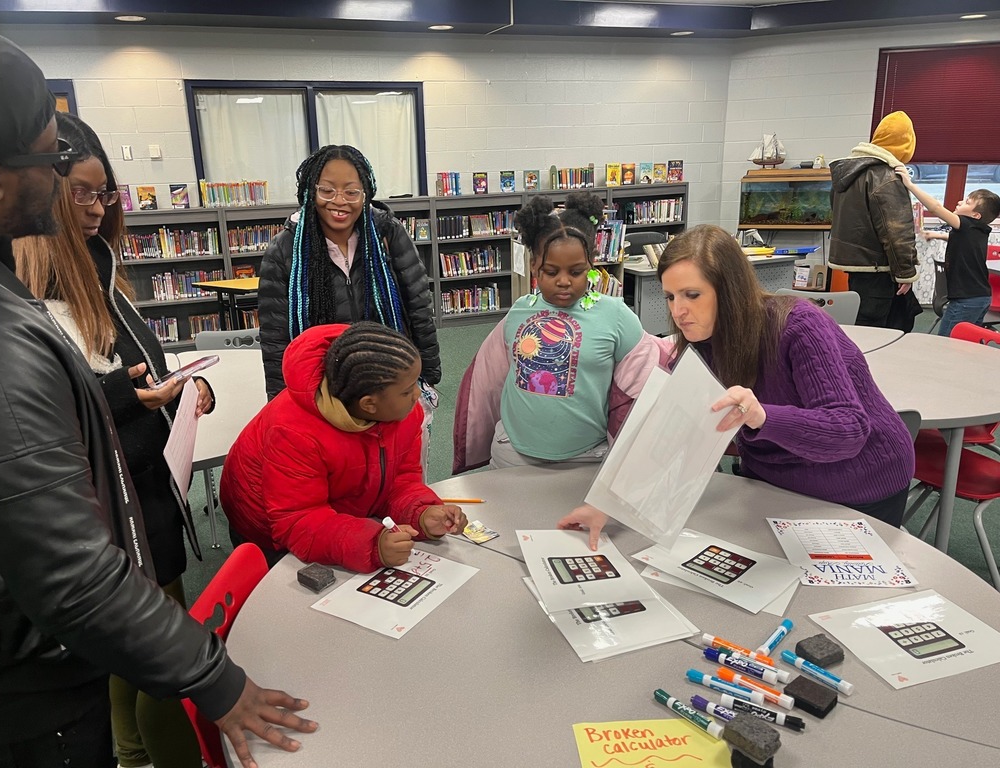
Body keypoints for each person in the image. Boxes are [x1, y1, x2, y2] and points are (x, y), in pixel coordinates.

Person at [0, 26, 313, 768]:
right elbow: (71, 575)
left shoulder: (14, 294)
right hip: (29, 678)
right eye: (51, 162)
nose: (83, 198)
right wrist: (217, 682)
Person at [13, 112, 212, 768]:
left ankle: (132, 757)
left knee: (135, 654)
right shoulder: (28, 292)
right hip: (110, 508)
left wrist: (177, 392)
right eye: (81, 193)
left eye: (105, 193)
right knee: (164, 657)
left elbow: (127, 364)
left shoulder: (99, 267)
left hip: (145, 486)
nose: (98, 208)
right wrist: (133, 398)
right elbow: (45, 413)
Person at [561, 224, 917, 548]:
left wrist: (763, 417)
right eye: (671, 297)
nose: (678, 310)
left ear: (729, 291)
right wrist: (608, 505)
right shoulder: (697, 344)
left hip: (859, 483)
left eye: (692, 295)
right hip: (775, 483)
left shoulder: (799, 325)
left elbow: (849, 431)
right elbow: (667, 434)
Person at [220, 322, 467, 571]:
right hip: (266, 527)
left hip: (335, 507)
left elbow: (400, 481)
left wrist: (423, 514)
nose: (417, 396)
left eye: (417, 382)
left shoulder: (403, 413)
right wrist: (373, 544)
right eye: (406, 391)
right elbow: (298, 520)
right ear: (369, 405)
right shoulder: (294, 432)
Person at [453, 192, 671, 474]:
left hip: (587, 458)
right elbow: (490, 379)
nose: (564, 281)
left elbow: (643, 379)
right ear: (534, 266)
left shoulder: (616, 315)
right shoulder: (519, 311)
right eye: (551, 271)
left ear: (591, 263)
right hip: (512, 452)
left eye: (576, 271)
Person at [258, 144, 440, 400]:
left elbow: (418, 305)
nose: (339, 201)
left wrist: (429, 372)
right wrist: (282, 400)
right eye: (327, 190)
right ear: (311, 191)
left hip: (388, 379)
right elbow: (276, 339)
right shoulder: (285, 250)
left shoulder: (387, 234)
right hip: (325, 389)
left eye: (351, 191)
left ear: (365, 193)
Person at [828, 110, 920, 329]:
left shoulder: (847, 173)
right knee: (877, 331)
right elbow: (896, 231)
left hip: (856, 267)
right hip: (880, 269)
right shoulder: (885, 176)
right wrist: (906, 272)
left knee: (860, 324)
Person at [897, 171, 1000, 337]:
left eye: (967, 202)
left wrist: (910, 184)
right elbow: (963, 242)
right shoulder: (980, 230)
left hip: (966, 300)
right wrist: (937, 235)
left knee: (946, 343)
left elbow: (936, 208)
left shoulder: (966, 224)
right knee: (968, 340)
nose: (960, 202)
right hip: (981, 297)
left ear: (975, 215)